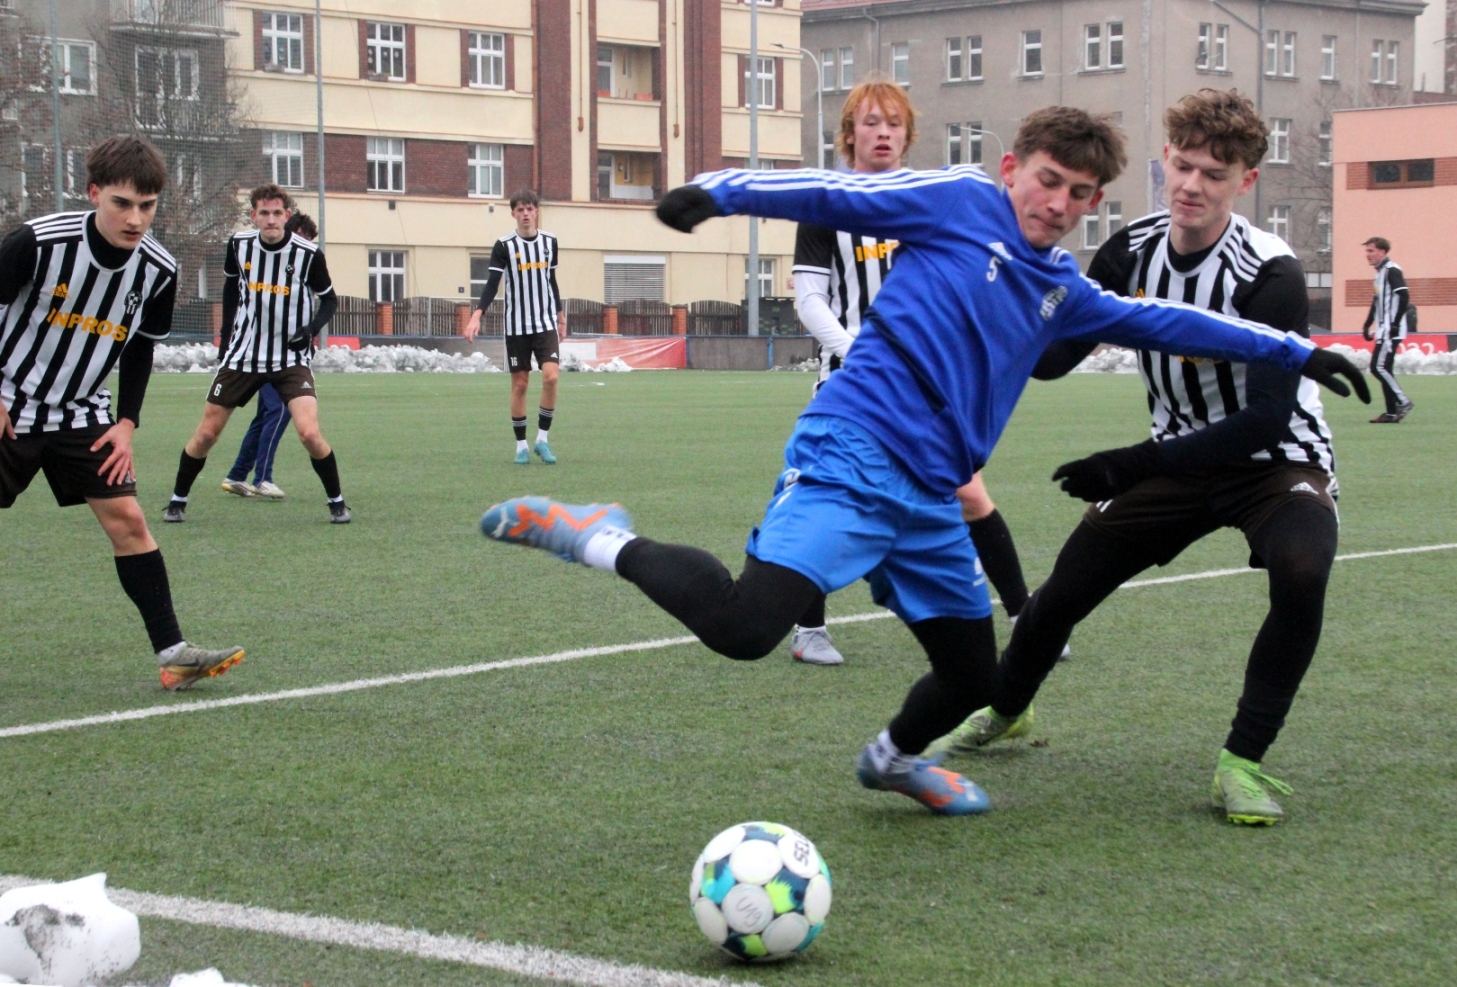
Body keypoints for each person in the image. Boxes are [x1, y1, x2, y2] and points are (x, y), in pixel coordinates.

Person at [480, 107, 1367, 818]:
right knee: (747, 628)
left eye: (1077, 193)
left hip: (933, 492)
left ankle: (893, 759)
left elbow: (1165, 322)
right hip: (853, 448)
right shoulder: (957, 201)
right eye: (1046, 179)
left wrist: (1296, 351)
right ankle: (599, 535)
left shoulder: (1062, 287)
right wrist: (717, 191)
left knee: (973, 677)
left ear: (1092, 202)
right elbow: (831, 192)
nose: (1056, 203)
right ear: (1012, 166)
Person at [928, 90, 1359, 826]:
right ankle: (1006, 708)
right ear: (1164, 159)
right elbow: (1054, 359)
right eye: (1182, 166)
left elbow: (1263, 417)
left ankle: (1241, 761)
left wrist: (1131, 463)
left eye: (1214, 175)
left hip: (1276, 461)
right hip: (1173, 460)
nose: (1191, 186)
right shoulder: (1129, 250)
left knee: (1301, 568)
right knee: (1061, 595)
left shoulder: (1271, 272)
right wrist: (1002, 308)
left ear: (1246, 181)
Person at [788, 80, 1038, 667]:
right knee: (830, 495)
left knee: (969, 493)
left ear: (907, 135)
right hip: (852, 382)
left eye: (894, 124)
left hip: (929, 382)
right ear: (850, 134)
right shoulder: (825, 204)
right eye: (871, 122)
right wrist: (857, 351)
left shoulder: (935, 200)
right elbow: (809, 298)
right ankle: (808, 628)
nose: (883, 133)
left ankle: (1028, 619)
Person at [0, 137, 244, 690]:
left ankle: (175, 656)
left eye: (147, 205)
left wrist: (127, 424)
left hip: (83, 413)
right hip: (10, 403)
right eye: (122, 204)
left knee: (129, 521)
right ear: (94, 194)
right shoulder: (37, 243)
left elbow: (138, 351)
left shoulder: (158, 269)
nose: (136, 219)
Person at [164, 185, 347, 523]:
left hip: (290, 358)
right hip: (243, 354)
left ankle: (337, 502)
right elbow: (231, 289)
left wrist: (310, 330)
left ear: (286, 216)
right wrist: (225, 336)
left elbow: (330, 300)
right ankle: (177, 501)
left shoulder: (308, 254)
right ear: (253, 216)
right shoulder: (239, 245)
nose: (271, 219)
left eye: (277, 213)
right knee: (207, 433)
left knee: (309, 433)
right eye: (264, 213)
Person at [219, 211, 319, 500]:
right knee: (279, 411)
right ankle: (263, 478)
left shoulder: (303, 267)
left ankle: (237, 475)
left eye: (308, 241)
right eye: (300, 238)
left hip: (287, 357)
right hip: (265, 355)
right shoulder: (265, 267)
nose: (303, 246)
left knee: (266, 415)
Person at [464, 189, 564, 465]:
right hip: (517, 326)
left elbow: (551, 281)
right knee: (520, 384)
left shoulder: (550, 242)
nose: (526, 214)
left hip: (545, 323)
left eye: (530, 209)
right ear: (513, 213)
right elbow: (491, 284)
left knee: (551, 377)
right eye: (520, 209)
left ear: (536, 211)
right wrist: (476, 315)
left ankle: (542, 440)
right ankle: (521, 446)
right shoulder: (504, 246)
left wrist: (560, 316)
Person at [1361, 236, 1414, 423]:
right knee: (1385, 369)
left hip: (1391, 330)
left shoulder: (1392, 270)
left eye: (1371, 250)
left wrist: (1395, 324)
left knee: (1378, 367)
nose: (1367, 254)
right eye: (1367, 251)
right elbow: (1377, 302)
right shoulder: (1379, 274)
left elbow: (1404, 296)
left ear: (1382, 252)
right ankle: (1391, 413)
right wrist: (1367, 324)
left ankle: (1403, 401)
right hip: (1384, 329)